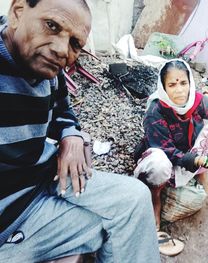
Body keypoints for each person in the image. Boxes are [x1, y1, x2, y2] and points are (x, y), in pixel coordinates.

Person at [0, 1, 160, 262]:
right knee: (114, 229)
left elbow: (63, 110)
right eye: (51, 26)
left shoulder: (47, 65)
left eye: (75, 44)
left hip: (44, 180)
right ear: (18, 12)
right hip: (11, 213)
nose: (62, 50)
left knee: (134, 200)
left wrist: (71, 135)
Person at [133, 59, 208, 254]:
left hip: (190, 158)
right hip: (165, 161)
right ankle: (155, 200)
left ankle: (204, 179)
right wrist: (199, 160)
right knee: (159, 162)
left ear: (190, 83)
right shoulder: (156, 111)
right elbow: (167, 151)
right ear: (164, 87)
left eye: (183, 83)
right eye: (172, 85)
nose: (180, 90)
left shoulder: (197, 101)